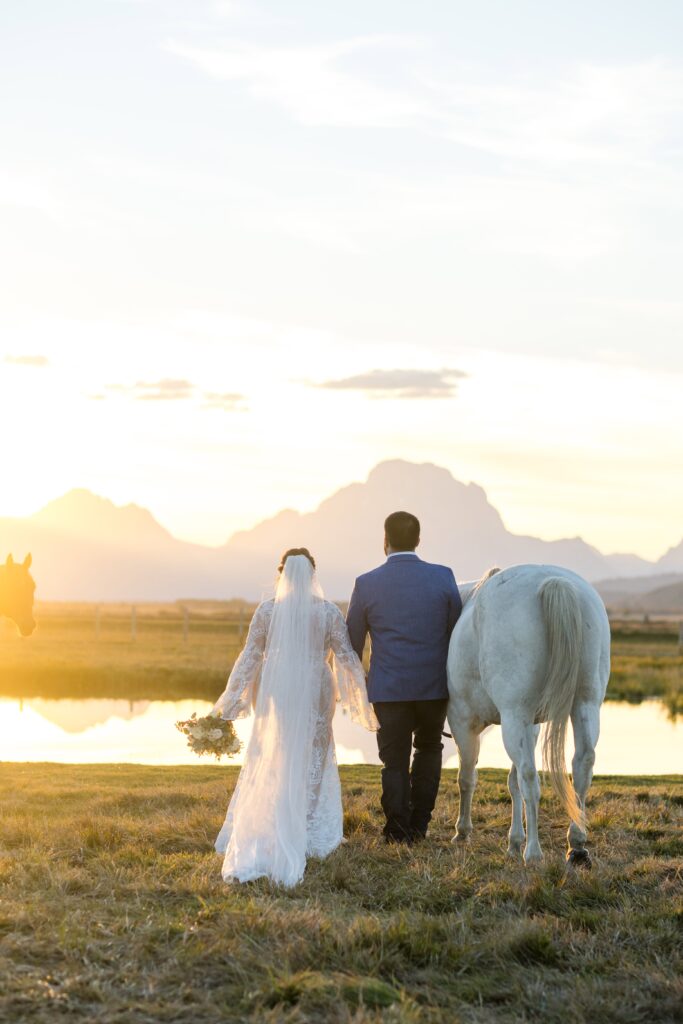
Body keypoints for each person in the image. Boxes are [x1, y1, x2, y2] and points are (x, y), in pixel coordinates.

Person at [211, 548, 378, 888]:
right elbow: (346, 658)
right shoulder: (328, 612)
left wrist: (229, 703)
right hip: (316, 686)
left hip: (276, 688)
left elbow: (250, 657)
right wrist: (363, 700)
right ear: (313, 574)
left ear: (282, 574)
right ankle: (311, 829)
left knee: (275, 751)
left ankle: (273, 820)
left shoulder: (267, 610)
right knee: (314, 753)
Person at [346, 512, 462, 843]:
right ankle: (419, 826)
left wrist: (357, 686)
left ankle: (397, 829)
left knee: (393, 761)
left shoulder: (366, 583)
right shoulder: (443, 577)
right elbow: (456, 633)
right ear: (418, 541)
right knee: (429, 749)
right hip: (434, 688)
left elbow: (353, 643)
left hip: (388, 689)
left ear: (385, 541)